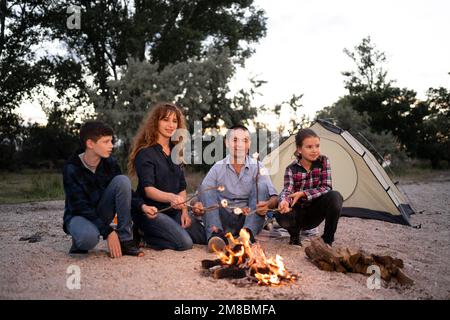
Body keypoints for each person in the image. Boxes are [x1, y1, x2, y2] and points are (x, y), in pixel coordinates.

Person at [128, 102, 206, 251]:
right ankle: (144, 235)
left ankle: (168, 231)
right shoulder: (145, 153)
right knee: (185, 243)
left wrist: (184, 211)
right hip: (152, 212)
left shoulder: (175, 152)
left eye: (174, 121)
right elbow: (148, 190)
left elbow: (181, 187)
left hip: (174, 211)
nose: (171, 125)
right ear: (155, 122)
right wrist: (171, 198)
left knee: (203, 237)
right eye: (165, 119)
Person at [63, 121, 143, 257]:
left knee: (122, 180)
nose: (111, 146)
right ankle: (79, 240)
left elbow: (125, 191)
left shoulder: (110, 162)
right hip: (79, 215)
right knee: (88, 239)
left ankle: (125, 240)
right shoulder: (71, 168)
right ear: (90, 144)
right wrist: (109, 232)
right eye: (106, 142)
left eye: (111, 141)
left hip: (101, 211)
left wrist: (143, 206)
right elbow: (80, 207)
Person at [193, 124, 278, 252]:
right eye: (234, 140)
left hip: (248, 217)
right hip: (222, 218)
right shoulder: (218, 167)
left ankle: (247, 235)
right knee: (206, 186)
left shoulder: (259, 167)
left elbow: (274, 198)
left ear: (249, 144)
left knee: (262, 185)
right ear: (226, 143)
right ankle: (216, 235)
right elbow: (200, 197)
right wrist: (197, 205)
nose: (239, 145)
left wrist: (267, 205)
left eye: (244, 141)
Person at [277, 128, 343, 246]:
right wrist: (284, 201)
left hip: (314, 213)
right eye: (309, 147)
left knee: (335, 196)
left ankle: (327, 240)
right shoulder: (291, 169)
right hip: (296, 215)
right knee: (281, 206)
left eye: (317, 146)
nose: (314, 150)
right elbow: (288, 190)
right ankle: (295, 236)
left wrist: (303, 194)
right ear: (299, 149)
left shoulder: (323, 161)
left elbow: (326, 187)